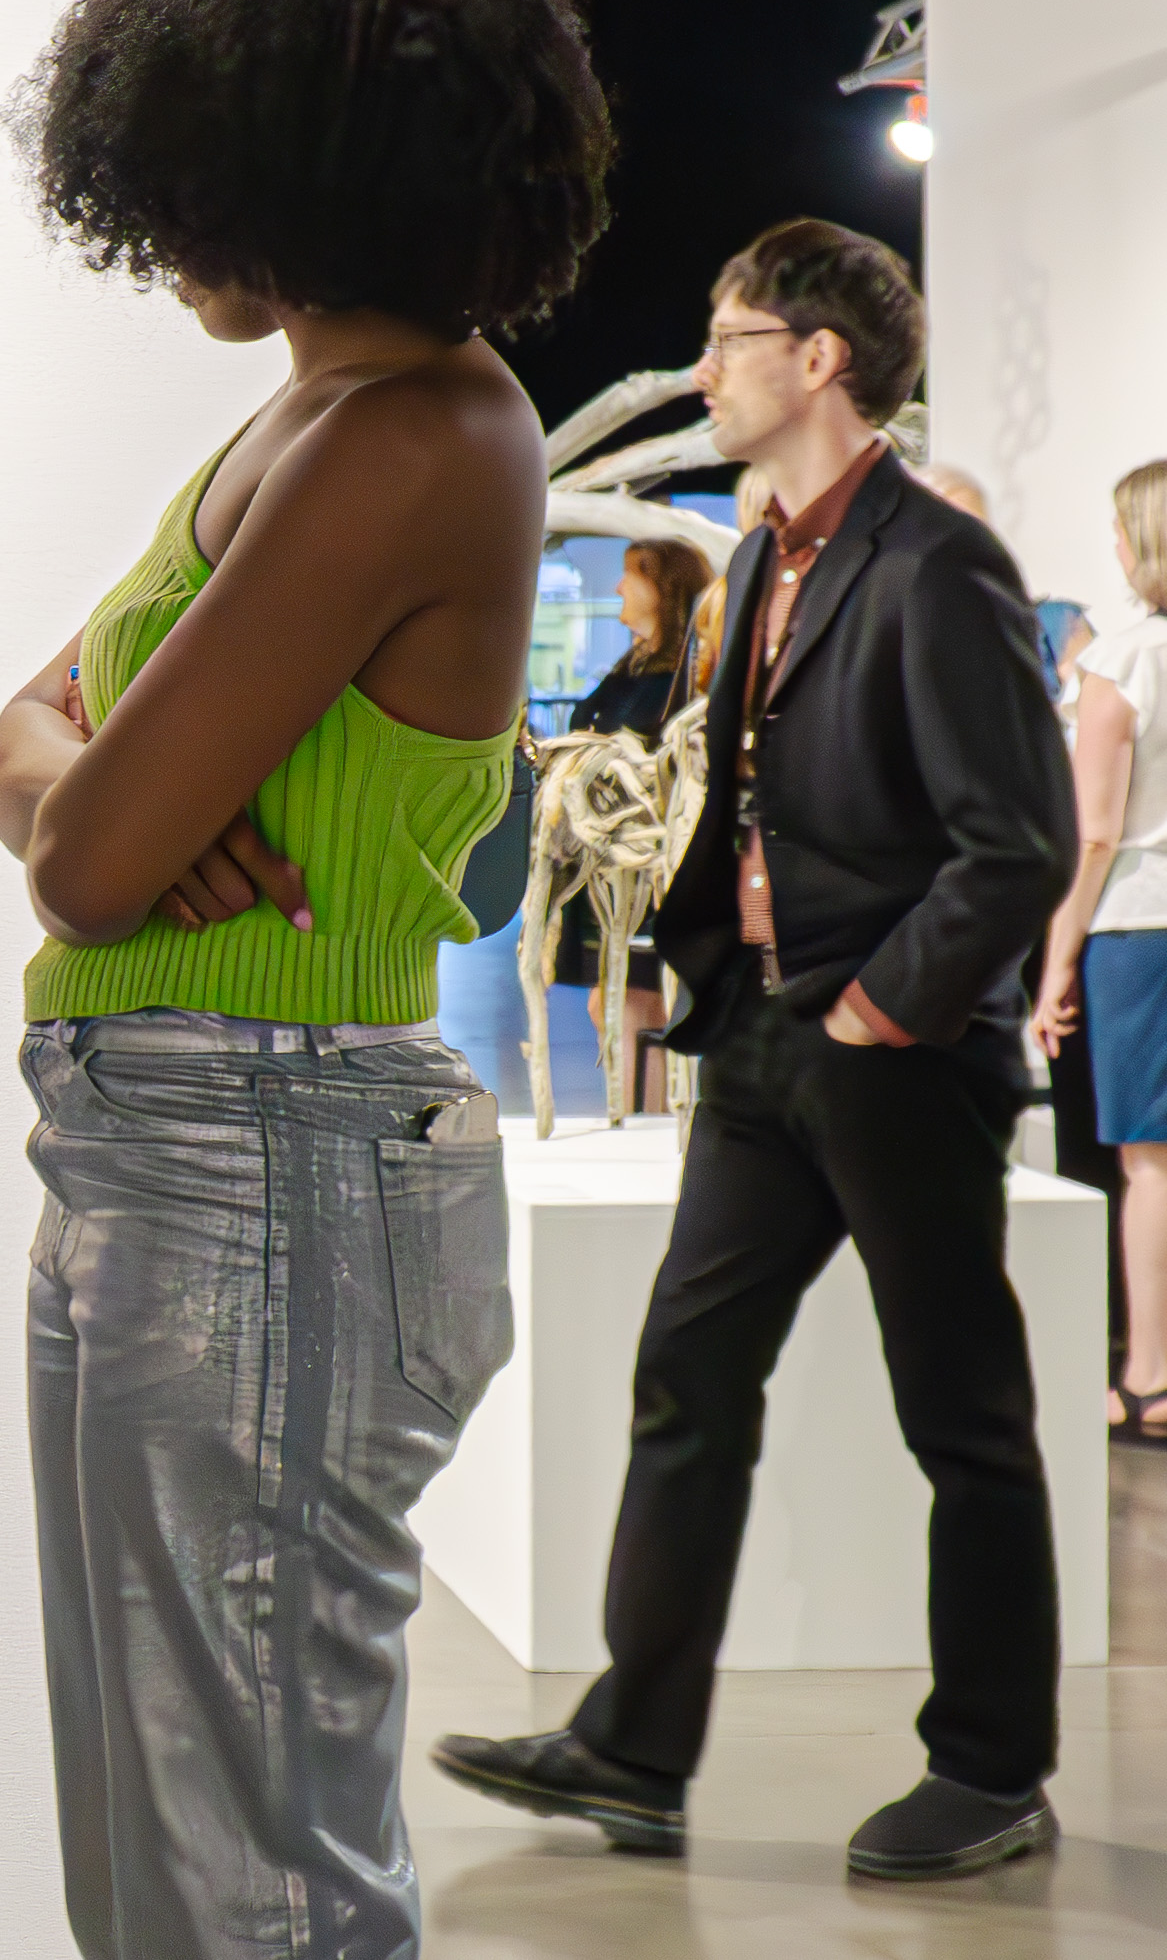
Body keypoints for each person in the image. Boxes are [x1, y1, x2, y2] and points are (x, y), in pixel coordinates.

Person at [0, 0, 597, 1959]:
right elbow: (25, 743)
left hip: (272, 1158)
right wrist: (74, 781)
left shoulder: (412, 435)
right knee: (173, 1847)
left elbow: (80, 852)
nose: (162, 227)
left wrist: (81, 797)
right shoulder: (311, 421)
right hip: (178, 1147)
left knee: (247, 1872)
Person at [433, 220, 1078, 1881]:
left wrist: (877, 1008)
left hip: (893, 1053)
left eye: (726, 340)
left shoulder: (938, 563)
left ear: (817, 358)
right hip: (763, 1047)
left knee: (961, 1415)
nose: (703, 368)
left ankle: (991, 1768)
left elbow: (1014, 841)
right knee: (688, 1376)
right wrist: (711, 977)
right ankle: (633, 1749)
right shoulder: (764, 556)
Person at [1030, 463, 1167, 1443]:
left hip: (1139, 927)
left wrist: (1053, 963)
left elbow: (1093, 833)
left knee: (1147, 1161)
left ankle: (1148, 1378)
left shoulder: (1120, 664)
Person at [556, 538, 714, 1100]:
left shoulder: (687, 681)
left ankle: (647, 1120)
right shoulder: (633, 669)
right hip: (607, 864)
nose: (619, 587)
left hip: (652, 868)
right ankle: (635, 1115)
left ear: (663, 588)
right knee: (613, 1002)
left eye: (632, 575)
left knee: (637, 1003)